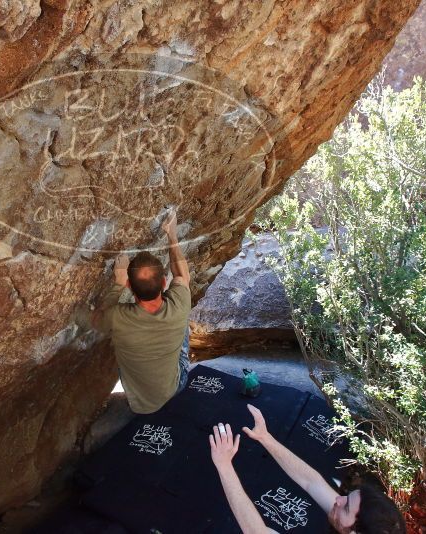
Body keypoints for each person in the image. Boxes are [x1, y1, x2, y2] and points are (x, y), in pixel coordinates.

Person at [209, 405, 405, 534]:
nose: (337, 499)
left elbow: (255, 531)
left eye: (346, 507)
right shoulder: (357, 525)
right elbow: (312, 482)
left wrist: (224, 465)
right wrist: (265, 438)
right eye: (347, 496)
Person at [94, 209, 191, 414]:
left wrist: (117, 283)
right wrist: (171, 234)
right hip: (175, 385)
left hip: (138, 402)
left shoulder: (117, 316)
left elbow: (97, 320)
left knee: (122, 340)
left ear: (130, 286)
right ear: (164, 282)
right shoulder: (179, 305)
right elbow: (182, 276)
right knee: (183, 314)